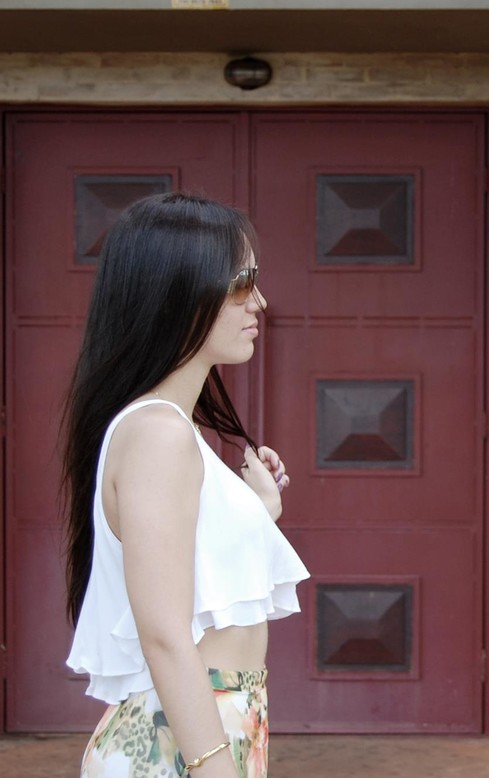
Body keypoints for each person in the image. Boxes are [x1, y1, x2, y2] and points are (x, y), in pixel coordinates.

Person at [61, 192, 310, 777]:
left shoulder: (167, 429)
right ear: (180, 291)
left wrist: (256, 514)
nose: (262, 301)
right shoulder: (158, 434)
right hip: (180, 744)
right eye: (243, 281)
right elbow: (167, 634)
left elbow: (187, 578)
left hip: (205, 732)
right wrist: (214, 768)